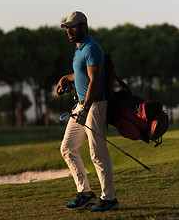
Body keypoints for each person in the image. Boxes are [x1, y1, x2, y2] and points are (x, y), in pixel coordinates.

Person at [56, 11, 120, 212]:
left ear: (84, 26)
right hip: (81, 106)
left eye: (73, 27)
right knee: (67, 148)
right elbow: (82, 75)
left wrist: (86, 108)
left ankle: (109, 199)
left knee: (98, 154)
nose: (70, 31)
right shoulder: (79, 49)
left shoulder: (92, 48)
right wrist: (66, 79)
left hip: (95, 106)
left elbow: (95, 80)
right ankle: (86, 194)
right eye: (68, 27)